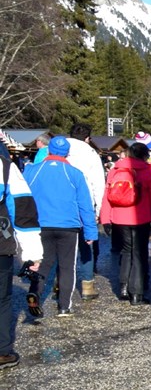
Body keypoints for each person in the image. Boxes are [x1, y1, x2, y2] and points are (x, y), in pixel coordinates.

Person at [24, 136, 97, 317]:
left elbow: (23, 199)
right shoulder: (75, 173)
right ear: (67, 154)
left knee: (42, 262)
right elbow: (85, 205)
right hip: (68, 226)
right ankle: (64, 306)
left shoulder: (32, 171)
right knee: (67, 266)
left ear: (48, 151)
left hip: (41, 224)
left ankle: (35, 294)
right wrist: (90, 231)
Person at [99, 141, 151, 305]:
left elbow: (107, 196)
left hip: (119, 217)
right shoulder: (147, 170)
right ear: (145, 155)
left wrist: (105, 218)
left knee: (126, 251)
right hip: (140, 217)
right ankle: (136, 293)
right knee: (139, 254)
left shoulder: (115, 169)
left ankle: (123, 288)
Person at [0, 146, 42, 367]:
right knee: (2, 300)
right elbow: (23, 213)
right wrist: (33, 254)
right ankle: (2, 351)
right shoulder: (6, 169)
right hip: (1, 244)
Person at [64, 124, 106, 301]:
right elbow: (98, 182)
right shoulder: (90, 153)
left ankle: (61, 283)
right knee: (85, 243)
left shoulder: (59, 148)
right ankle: (87, 285)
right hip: (84, 202)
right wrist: (98, 208)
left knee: (64, 246)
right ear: (87, 138)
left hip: (62, 203)